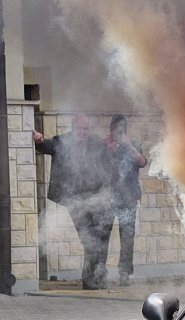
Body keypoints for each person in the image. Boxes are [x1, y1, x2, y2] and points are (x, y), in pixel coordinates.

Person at [34, 113, 114, 290]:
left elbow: (108, 162)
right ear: (73, 128)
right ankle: (91, 280)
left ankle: (97, 277)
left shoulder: (96, 143)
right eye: (80, 129)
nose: (83, 132)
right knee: (88, 238)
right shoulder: (64, 142)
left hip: (97, 198)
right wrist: (40, 141)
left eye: (86, 129)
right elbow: (49, 145)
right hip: (75, 200)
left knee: (102, 235)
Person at [104, 115, 147, 287]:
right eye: (116, 128)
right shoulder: (105, 145)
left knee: (127, 237)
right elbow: (97, 166)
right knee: (103, 234)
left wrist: (129, 147)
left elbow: (142, 162)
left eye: (122, 128)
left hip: (129, 198)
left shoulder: (133, 144)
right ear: (111, 129)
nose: (119, 132)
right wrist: (109, 149)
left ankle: (124, 273)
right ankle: (99, 272)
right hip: (109, 198)